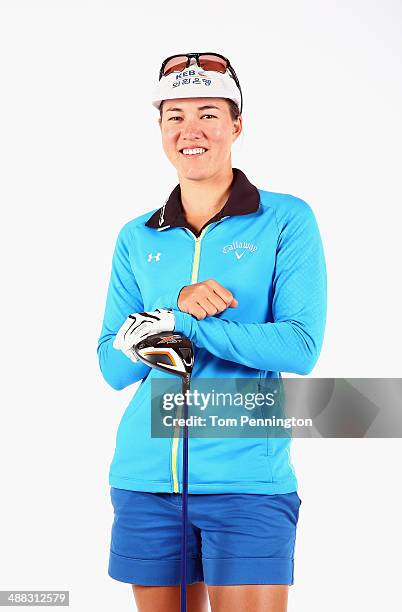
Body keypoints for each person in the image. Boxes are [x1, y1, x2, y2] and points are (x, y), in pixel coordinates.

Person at [97, 52, 327, 612]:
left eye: (208, 113)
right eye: (174, 116)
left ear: (236, 124)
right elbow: (112, 364)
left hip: (247, 481)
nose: (190, 130)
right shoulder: (137, 235)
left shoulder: (285, 220)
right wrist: (172, 313)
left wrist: (187, 326)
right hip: (145, 479)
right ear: (159, 128)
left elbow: (300, 346)